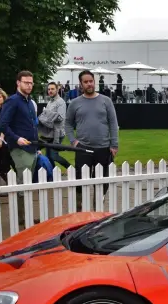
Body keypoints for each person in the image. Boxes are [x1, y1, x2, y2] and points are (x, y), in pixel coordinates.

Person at [65, 69, 119, 208]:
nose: (89, 84)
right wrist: (73, 141)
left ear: (94, 82)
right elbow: (68, 124)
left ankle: (97, 209)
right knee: (81, 181)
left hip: (103, 147)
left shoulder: (106, 101)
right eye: (86, 82)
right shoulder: (75, 103)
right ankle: (80, 209)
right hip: (83, 148)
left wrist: (114, 144)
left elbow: (113, 123)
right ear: (81, 84)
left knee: (102, 182)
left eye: (91, 81)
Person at [0, 70, 40, 178]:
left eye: (31, 83)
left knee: (28, 181)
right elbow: (3, 125)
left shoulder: (30, 102)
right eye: (26, 82)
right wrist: (17, 138)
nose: (29, 85)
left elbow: (33, 125)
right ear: (18, 83)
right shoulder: (12, 101)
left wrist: (37, 146)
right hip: (20, 148)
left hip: (32, 146)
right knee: (23, 182)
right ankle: (19, 195)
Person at [38, 82, 71, 170]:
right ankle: (52, 173)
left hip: (58, 133)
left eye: (52, 89)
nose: (50, 91)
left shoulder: (61, 102)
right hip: (49, 134)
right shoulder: (50, 102)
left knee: (54, 155)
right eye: (49, 89)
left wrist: (47, 114)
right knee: (49, 156)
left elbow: (60, 117)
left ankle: (71, 168)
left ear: (57, 89)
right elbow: (46, 116)